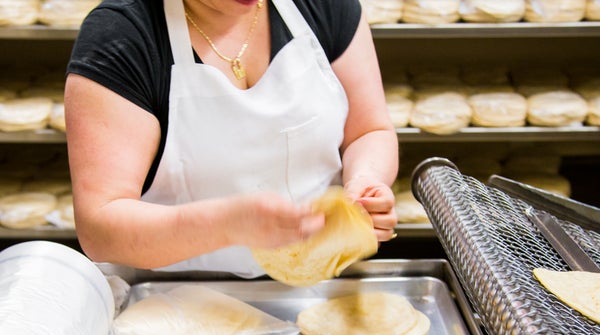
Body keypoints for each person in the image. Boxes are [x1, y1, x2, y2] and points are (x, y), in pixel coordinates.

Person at [65, 0, 399, 277]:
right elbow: (100, 228)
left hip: (322, 286)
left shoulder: (324, 5)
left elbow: (369, 130)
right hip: (173, 305)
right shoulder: (122, 34)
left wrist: (365, 183)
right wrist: (226, 225)